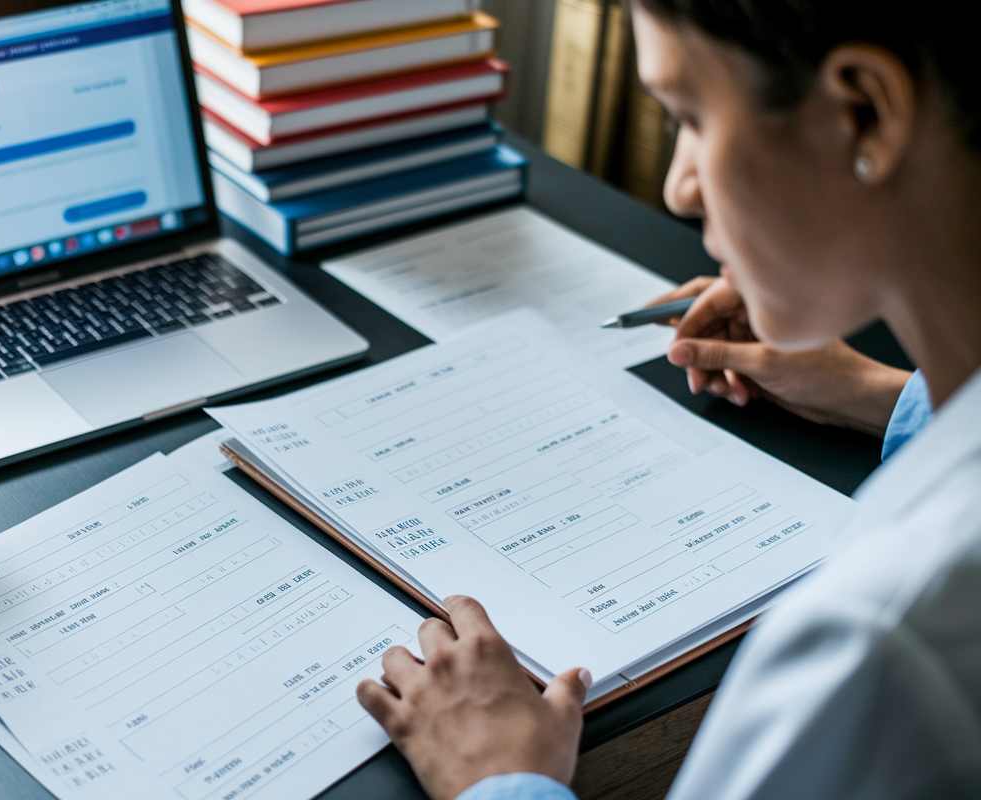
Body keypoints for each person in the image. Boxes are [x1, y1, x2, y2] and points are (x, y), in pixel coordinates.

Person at [353, 1, 981, 798]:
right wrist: (882, 397)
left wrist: (501, 778)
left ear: (863, 113)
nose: (678, 187)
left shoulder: (882, 646)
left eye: (690, 115)